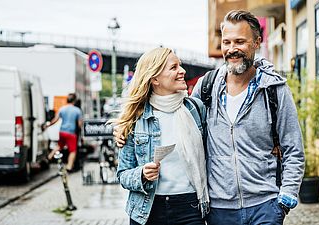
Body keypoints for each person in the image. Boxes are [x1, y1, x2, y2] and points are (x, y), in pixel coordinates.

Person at [115, 10, 305, 225]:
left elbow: (293, 149)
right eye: (227, 42)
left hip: (264, 205)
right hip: (219, 208)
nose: (232, 49)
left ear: (257, 42)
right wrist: (123, 128)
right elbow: (124, 168)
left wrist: (285, 199)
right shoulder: (205, 90)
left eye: (240, 41)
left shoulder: (273, 90)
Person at [112, 47, 209, 225]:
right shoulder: (135, 119)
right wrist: (141, 174)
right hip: (147, 210)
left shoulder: (196, 109)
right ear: (155, 78)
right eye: (174, 67)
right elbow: (122, 174)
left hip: (190, 207)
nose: (182, 71)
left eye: (180, 65)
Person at [45, 93, 83, 172]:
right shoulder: (77, 110)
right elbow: (80, 125)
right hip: (71, 133)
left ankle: (49, 157)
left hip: (62, 132)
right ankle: (69, 166)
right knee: (73, 151)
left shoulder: (62, 109)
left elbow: (55, 120)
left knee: (59, 146)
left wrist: (48, 125)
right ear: (74, 100)